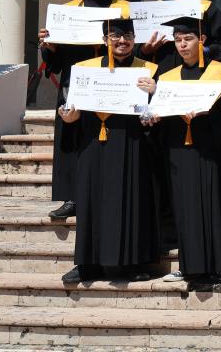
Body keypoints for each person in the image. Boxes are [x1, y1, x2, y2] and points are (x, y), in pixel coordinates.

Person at [59, 18, 159, 283]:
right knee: (91, 201)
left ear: (135, 39)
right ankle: (86, 265)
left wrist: (155, 94)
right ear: (105, 40)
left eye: (127, 36)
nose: (122, 41)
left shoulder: (148, 70)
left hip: (130, 143)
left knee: (128, 202)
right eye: (115, 36)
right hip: (92, 142)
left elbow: (156, 113)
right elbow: (69, 107)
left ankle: (127, 265)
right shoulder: (84, 69)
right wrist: (68, 118)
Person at [39, 0, 130, 220]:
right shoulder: (68, 11)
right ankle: (73, 197)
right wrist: (50, 46)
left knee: (113, 139)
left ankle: (109, 192)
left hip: (114, 82)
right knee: (73, 140)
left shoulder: (123, 9)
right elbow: (53, 63)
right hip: (75, 83)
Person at [150, 17, 221, 284]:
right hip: (179, 150)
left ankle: (220, 268)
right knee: (185, 207)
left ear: (201, 40)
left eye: (187, 39)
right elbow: (161, 116)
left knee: (215, 206)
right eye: (177, 40)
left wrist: (209, 114)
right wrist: (154, 116)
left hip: (213, 149)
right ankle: (189, 266)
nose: (182, 45)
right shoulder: (167, 77)